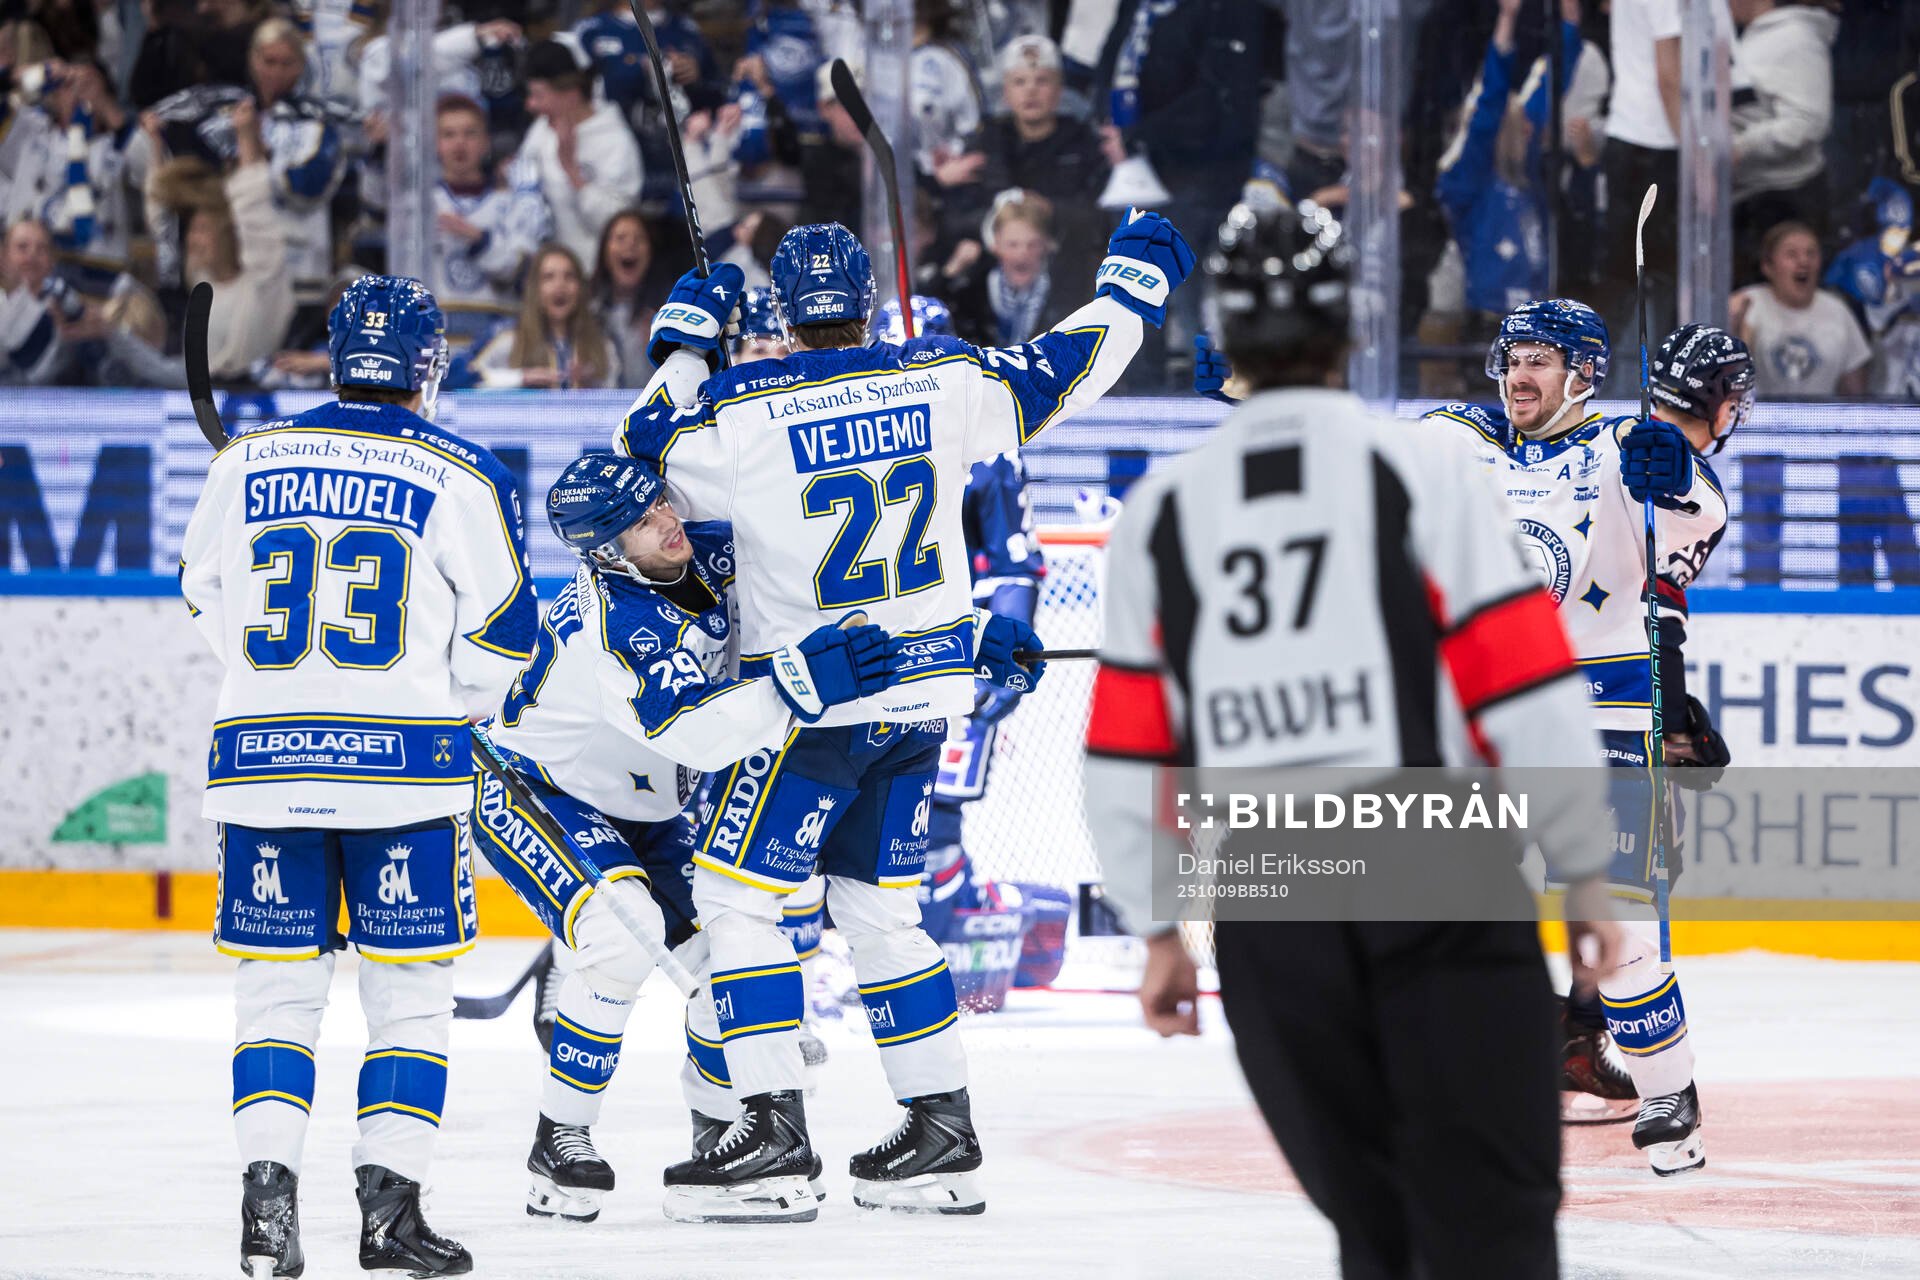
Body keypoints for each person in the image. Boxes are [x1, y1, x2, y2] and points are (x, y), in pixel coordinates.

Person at [614, 210, 1195, 1218]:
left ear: (785, 317)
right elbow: (1067, 366)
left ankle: (773, 1135)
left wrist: (681, 340)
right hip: (924, 700)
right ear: (871, 299)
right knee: (882, 911)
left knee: (739, 902)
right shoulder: (943, 377)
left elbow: (633, 456)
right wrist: (1133, 285)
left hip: (812, 703)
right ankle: (940, 1128)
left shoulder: (735, 409)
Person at [1084, 200, 1622, 1280]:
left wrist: (1154, 928)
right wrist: (1585, 871)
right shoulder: (1423, 472)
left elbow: (1130, 743)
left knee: (1374, 1231)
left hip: (1272, 890)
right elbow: (1522, 679)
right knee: (1494, 1224)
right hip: (1434, 860)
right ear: (1349, 328)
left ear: (1226, 339)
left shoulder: (1164, 510)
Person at [178, 275, 537, 1278]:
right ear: (430, 366)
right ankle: (389, 1217)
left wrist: (275, 683)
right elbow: (509, 635)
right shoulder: (463, 470)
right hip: (405, 775)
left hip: (262, 762)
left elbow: (201, 591)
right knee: (410, 1000)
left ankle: (265, 1218)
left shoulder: (245, 458)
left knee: (276, 1000)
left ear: (333, 355)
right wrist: (450, 698)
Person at [479, 451, 896, 1224]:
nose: (669, 521)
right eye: (643, 522)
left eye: (662, 504)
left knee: (723, 968)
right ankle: (558, 1138)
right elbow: (695, 737)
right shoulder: (617, 624)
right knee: (618, 941)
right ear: (607, 552)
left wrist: (958, 642)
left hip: (651, 812)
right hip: (539, 791)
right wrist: (798, 686)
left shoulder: (702, 550)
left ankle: (723, 1134)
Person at [1423, 300, 1737, 1174]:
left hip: (1599, 708)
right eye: (1511, 358)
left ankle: (1670, 1093)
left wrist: (1669, 470)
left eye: (1539, 361)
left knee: (1613, 931)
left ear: (1584, 373)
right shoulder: (1462, 439)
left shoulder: (1621, 450)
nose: (1518, 375)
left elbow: (1700, 513)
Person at [143, 97, 296, 379]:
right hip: (200, 398)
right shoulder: (202, 282)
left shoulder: (264, 286)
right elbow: (162, 222)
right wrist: (155, 144)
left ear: (228, 235)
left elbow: (255, 217)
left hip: (247, 399)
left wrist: (246, 137)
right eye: (192, 231)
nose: (192, 239)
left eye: (203, 230)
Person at [431, 94, 550, 351]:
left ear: (486, 143)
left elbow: (520, 268)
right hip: (435, 343)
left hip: (500, 343)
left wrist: (479, 239)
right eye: (449, 135)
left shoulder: (513, 202)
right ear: (436, 144)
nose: (459, 143)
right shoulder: (421, 205)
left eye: (470, 134)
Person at [515, 38, 643, 271]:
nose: (531, 105)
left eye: (539, 95)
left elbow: (620, 228)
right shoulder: (541, 130)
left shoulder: (614, 140)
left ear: (571, 94)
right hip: (547, 274)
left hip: (592, 276)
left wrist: (573, 172)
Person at [1731, 220, 1872, 396]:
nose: (1804, 261)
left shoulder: (1838, 311)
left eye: (1811, 253)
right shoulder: (1747, 303)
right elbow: (1732, 379)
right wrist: (1735, 327)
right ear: (1768, 266)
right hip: (1760, 419)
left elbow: (1855, 393)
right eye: (1792, 254)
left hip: (1821, 420)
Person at [469, 243, 619, 390]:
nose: (560, 285)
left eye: (569, 276)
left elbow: (620, 401)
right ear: (535, 289)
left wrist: (593, 385)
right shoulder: (509, 341)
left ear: (581, 288)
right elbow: (465, 379)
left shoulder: (604, 347)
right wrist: (521, 378)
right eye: (549, 277)